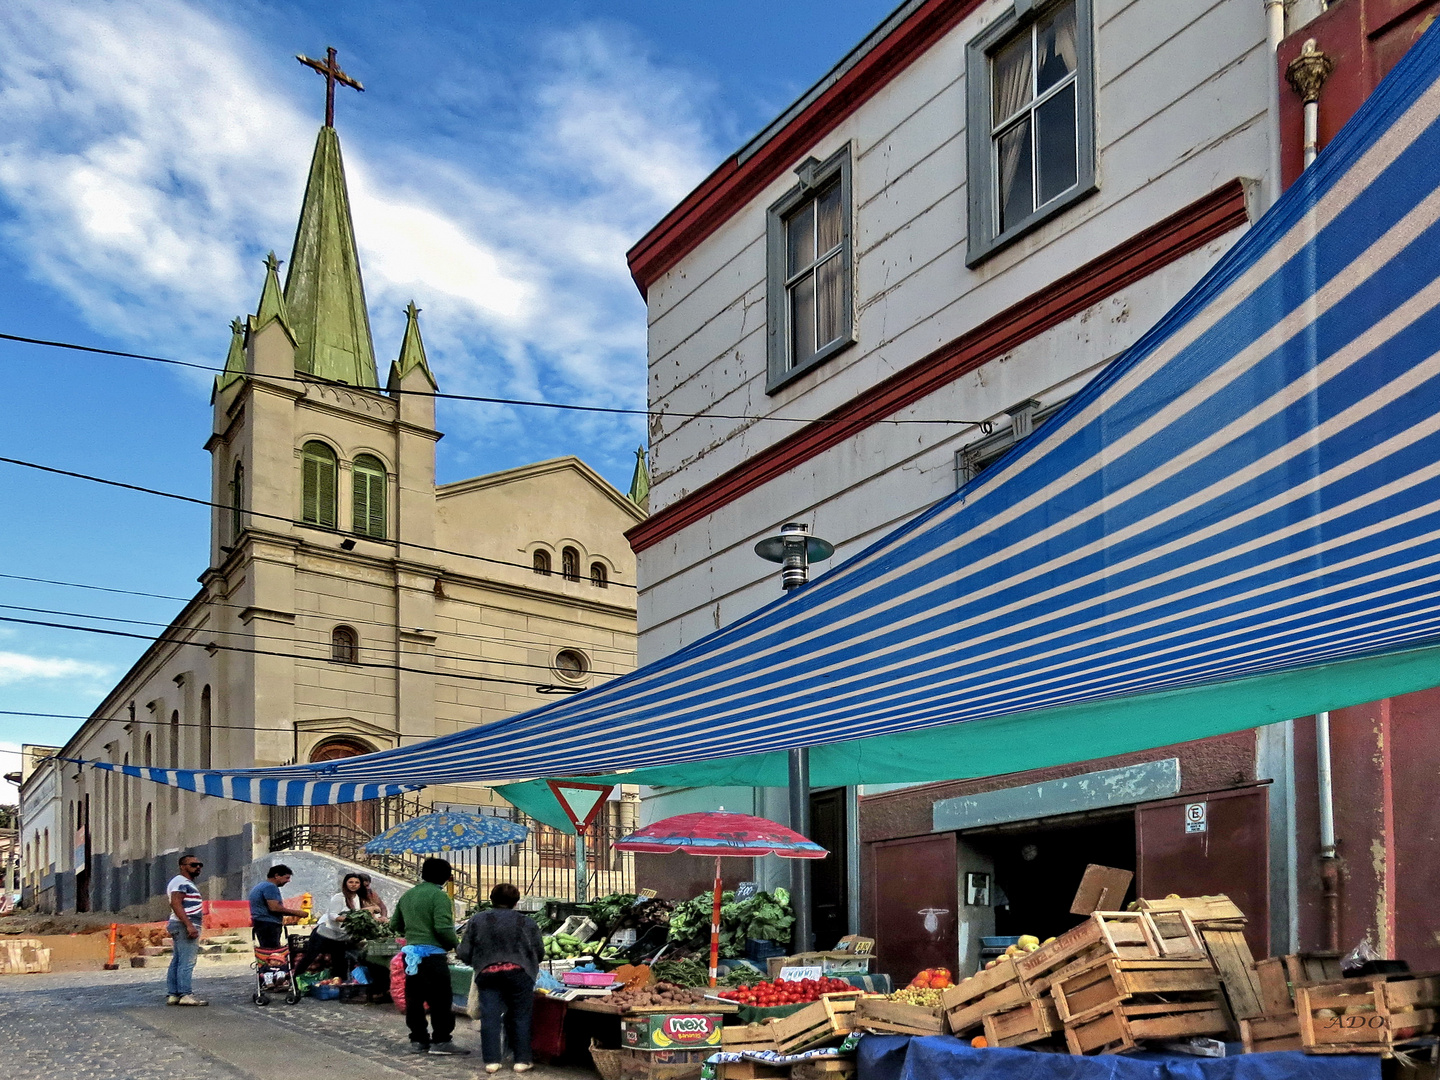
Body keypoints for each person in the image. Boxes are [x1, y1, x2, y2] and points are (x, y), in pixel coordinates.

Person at [457, 882, 543, 1074]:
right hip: (520, 973)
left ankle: (492, 1061)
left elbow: (464, 952)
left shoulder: (477, 920)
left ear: (492, 900)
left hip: (488, 974)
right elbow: (539, 951)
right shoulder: (527, 922)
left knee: (490, 1016)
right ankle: (522, 1061)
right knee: (520, 1015)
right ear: (516, 902)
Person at [390, 857, 467, 1056]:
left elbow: (395, 925)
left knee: (414, 998)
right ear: (445, 877)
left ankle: (418, 1039)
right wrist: (456, 945)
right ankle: (441, 1040)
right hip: (432, 957)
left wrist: (414, 930)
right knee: (440, 999)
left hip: (411, 957)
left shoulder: (408, 895)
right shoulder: (439, 897)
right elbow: (442, 928)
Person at [297, 872, 364, 978]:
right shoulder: (339, 897)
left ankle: (339, 985)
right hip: (325, 933)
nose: (353, 884)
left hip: (340, 937)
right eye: (350, 882)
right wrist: (350, 920)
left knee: (339, 962)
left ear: (360, 885)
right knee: (310, 958)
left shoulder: (357, 898)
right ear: (345, 884)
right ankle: (296, 979)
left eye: (356, 882)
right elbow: (332, 915)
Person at [164, 853, 208, 1006]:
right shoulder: (181, 882)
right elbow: (176, 903)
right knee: (187, 961)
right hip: (184, 925)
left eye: (199, 865)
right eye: (193, 865)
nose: (198, 867)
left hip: (180, 924)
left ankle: (173, 994)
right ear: (182, 867)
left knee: (177, 960)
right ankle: (185, 994)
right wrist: (189, 925)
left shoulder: (184, 882)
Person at [247, 864, 305, 950]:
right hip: (269, 925)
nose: (288, 881)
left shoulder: (260, 886)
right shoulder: (270, 887)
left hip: (260, 924)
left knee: (266, 950)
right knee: (272, 952)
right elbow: (274, 908)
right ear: (277, 876)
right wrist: (298, 913)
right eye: (286, 878)